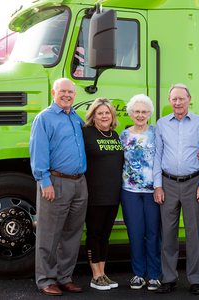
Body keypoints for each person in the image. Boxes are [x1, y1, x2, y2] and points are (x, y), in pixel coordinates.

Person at [29, 78, 87, 296]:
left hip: (79, 182)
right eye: (62, 91)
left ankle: (65, 278)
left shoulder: (76, 118)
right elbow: (38, 152)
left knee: (72, 234)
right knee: (49, 234)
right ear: (54, 92)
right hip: (55, 182)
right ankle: (45, 279)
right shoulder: (44, 118)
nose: (67, 95)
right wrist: (44, 182)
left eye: (70, 92)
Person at [153, 84, 199, 295]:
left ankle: (195, 279)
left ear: (189, 99)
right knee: (168, 233)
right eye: (174, 99)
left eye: (181, 99)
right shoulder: (161, 124)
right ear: (170, 101)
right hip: (167, 183)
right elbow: (157, 155)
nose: (177, 103)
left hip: (193, 183)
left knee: (195, 233)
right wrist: (157, 185)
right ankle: (168, 278)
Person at [120, 94, 162, 291]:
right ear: (130, 113)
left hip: (153, 191)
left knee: (153, 233)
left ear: (150, 114)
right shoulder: (124, 135)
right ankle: (138, 274)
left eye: (144, 111)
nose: (140, 115)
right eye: (137, 111)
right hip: (130, 191)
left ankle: (154, 275)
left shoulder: (156, 133)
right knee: (135, 233)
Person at [82, 98, 124, 291]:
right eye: (100, 113)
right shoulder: (86, 133)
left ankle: (103, 273)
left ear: (112, 116)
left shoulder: (115, 135)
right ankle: (95, 275)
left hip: (113, 194)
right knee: (94, 234)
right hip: (94, 194)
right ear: (93, 116)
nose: (104, 116)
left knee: (105, 235)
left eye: (107, 113)